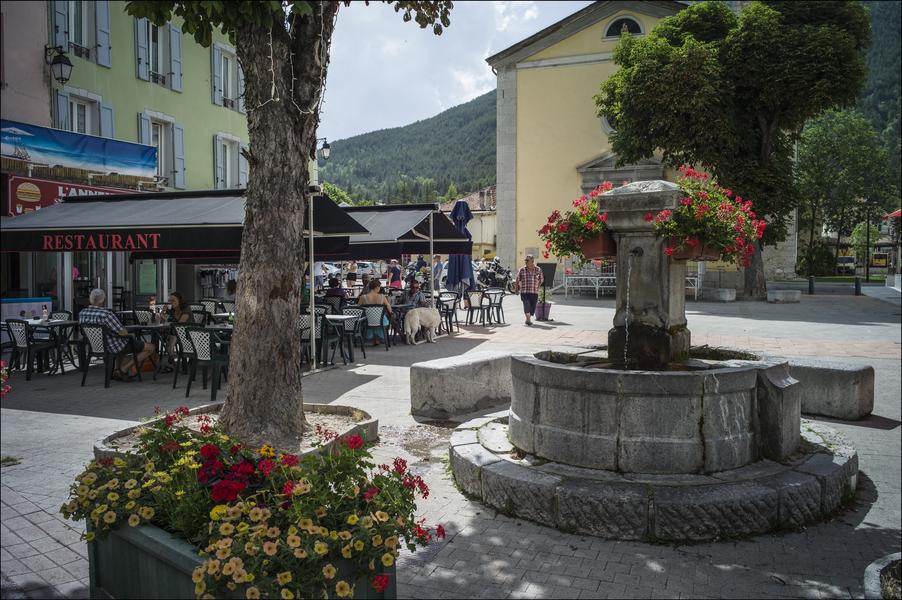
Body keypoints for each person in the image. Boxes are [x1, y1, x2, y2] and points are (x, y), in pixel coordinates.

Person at [79, 288, 158, 380]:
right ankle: (124, 369)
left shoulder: (82, 313)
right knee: (151, 347)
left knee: (120, 340)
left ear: (90, 299)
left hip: (95, 347)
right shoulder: (106, 314)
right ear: (103, 300)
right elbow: (123, 332)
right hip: (113, 347)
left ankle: (116, 370)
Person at [357, 279, 393, 345]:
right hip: (380, 321)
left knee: (369, 318)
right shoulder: (382, 297)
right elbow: (389, 307)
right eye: (379, 287)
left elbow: (358, 309)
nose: (379, 289)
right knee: (383, 318)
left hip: (368, 320)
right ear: (377, 287)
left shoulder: (363, 297)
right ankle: (377, 339)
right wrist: (391, 313)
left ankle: (374, 339)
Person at [162, 291, 191, 372]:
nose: (171, 302)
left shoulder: (186, 308)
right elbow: (163, 320)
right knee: (159, 336)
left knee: (173, 333)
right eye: (170, 300)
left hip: (188, 333)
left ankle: (172, 360)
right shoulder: (171, 309)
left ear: (179, 301)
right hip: (175, 331)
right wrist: (163, 311)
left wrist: (169, 322)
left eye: (173, 300)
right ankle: (172, 361)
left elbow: (181, 323)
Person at [514, 254, 544, 326]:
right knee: (526, 304)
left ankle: (528, 319)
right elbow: (517, 280)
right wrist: (516, 289)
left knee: (532, 308)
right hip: (524, 292)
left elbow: (541, 279)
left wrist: (538, 286)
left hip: (534, 292)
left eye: (527, 260)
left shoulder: (538, 269)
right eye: (525, 260)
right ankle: (528, 319)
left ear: (532, 261)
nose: (526, 261)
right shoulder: (522, 270)